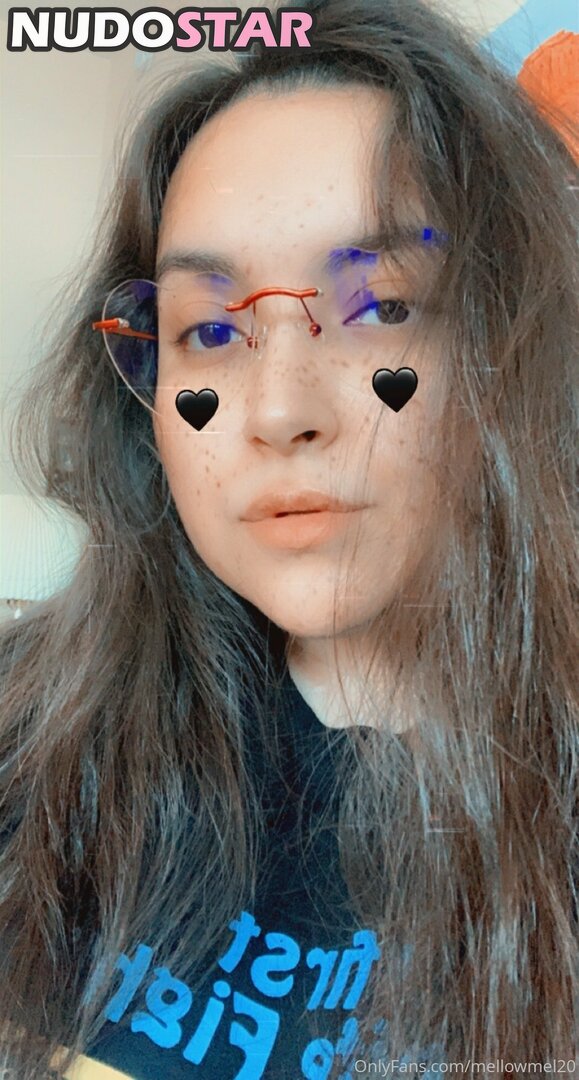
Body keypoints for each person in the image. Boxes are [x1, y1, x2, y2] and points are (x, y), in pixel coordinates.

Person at [0, 0, 577, 1076]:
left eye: (383, 307)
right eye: (211, 330)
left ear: (516, 343)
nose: (277, 411)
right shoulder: (27, 740)